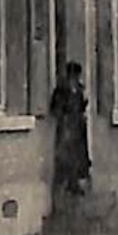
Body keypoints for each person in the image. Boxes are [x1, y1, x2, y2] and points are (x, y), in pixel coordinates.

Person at [50, 62, 90, 196]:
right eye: (73, 76)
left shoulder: (79, 90)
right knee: (66, 154)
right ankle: (65, 181)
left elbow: (80, 106)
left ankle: (75, 181)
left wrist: (83, 105)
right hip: (67, 125)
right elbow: (56, 108)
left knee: (79, 154)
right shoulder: (62, 90)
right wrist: (63, 116)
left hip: (77, 125)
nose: (75, 79)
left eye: (77, 76)